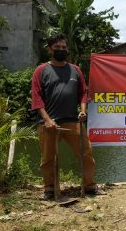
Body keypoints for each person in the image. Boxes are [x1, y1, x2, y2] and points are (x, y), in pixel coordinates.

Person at [31, 34, 105, 200]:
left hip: (73, 121)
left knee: (86, 153)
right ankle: (49, 189)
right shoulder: (41, 70)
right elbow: (36, 98)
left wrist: (83, 110)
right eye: (57, 47)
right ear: (50, 49)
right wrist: (47, 120)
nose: (61, 50)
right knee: (48, 159)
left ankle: (89, 185)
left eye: (64, 48)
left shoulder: (75, 70)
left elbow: (83, 93)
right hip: (49, 124)